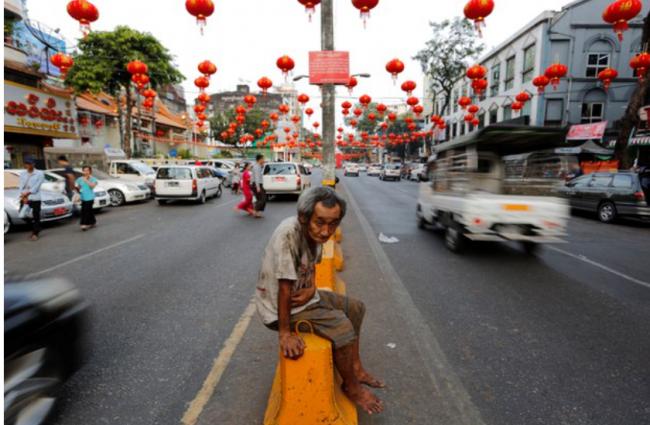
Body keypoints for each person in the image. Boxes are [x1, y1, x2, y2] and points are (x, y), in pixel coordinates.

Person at [255, 187, 384, 415]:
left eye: (333, 224)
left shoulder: (315, 234)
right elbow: (284, 288)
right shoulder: (288, 235)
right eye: (320, 223)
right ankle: (352, 386)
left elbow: (312, 266)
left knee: (355, 308)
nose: (326, 231)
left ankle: (356, 367)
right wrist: (284, 333)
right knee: (342, 327)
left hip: (304, 298)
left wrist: (311, 288)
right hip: (281, 309)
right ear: (304, 218)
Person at [18, 158, 45, 241]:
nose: (29, 165)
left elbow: (36, 187)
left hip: (35, 198)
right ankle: (37, 226)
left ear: (34, 164)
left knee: (36, 216)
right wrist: (23, 196)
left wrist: (27, 194)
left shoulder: (40, 173)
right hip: (25, 197)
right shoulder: (23, 174)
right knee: (22, 215)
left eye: (30, 164)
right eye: (27, 164)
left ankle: (35, 233)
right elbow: (21, 185)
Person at [75, 166, 98, 231]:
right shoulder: (79, 179)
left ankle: (83, 224)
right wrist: (78, 193)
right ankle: (93, 222)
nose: (86, 172)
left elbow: (92, 187)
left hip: (90, 197)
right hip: (83, 197)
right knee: (89, 211)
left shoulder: (93, 179)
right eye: (84, 170)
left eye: (87, 170)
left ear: (90, 171)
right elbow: (77, 187)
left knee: (85, 211)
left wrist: (86, 180)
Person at [251, 154, 267, 218]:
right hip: (257, 184)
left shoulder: (258, 166)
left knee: (260, 199)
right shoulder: (257, 167)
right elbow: (257, 177)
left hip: (257, 184)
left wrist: (262, 166)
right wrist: (258, 187)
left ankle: (257, 213)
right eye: (263, 159)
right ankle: (255, 210)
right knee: (263, 199)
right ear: (260, 159)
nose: (264, 160)